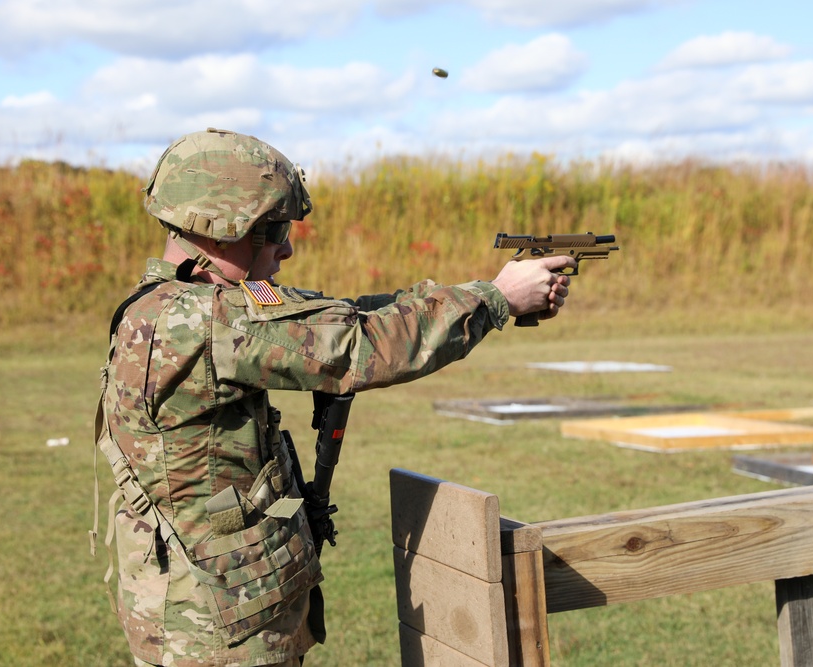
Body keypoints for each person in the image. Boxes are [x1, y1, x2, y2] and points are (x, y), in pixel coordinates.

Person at [93, 128, 573, 667]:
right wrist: (495, 299)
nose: (287, 248)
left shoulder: (179, 305)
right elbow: (359, 346)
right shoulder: (203, 321)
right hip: (215, 627)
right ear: (226, 228)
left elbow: (334, 318)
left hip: (212, 603)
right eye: (274, 230)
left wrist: (485, 297)